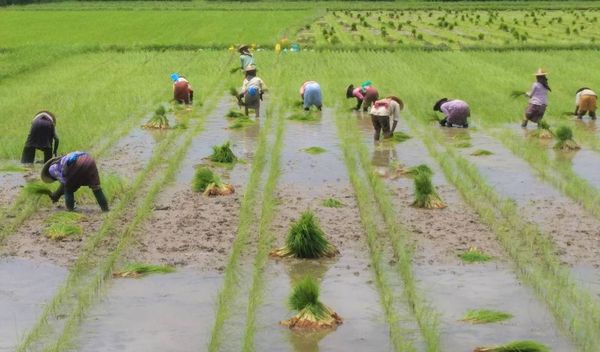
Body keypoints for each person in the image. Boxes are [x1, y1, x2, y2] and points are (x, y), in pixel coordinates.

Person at [41, 151, 109, 212]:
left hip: (76, 163)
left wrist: (56, 195)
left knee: (68, 188)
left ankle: (71, 208)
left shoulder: (51, 169)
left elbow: (65, 183)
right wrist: (57, 195)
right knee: (96, 187)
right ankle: (105, 209)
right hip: (89, 160)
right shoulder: (64, 159)